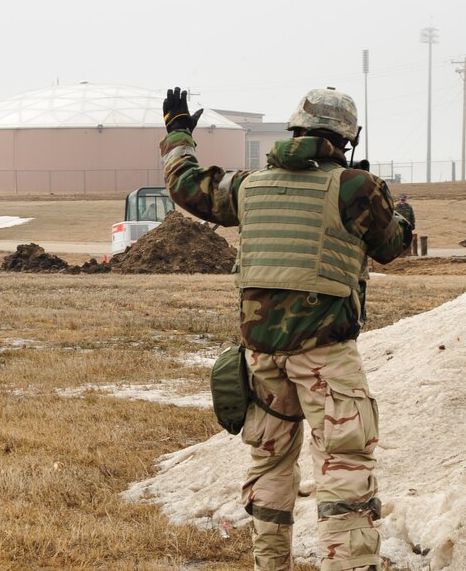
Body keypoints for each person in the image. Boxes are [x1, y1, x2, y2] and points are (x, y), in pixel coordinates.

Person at [160, 87, 412, 571]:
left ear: (294, 130)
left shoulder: (248, 185)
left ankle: (269, 564)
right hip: (325, 354)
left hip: (261, 357)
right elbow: (389, 245)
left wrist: (177, 134)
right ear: (344, 140)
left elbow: (186, 185)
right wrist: (402, 214)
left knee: (270, 463)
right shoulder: (355, 186)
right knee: (344, 466)